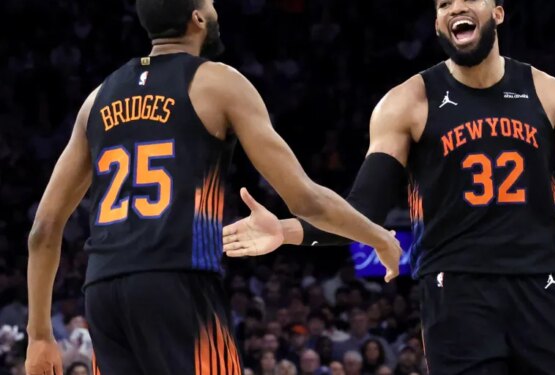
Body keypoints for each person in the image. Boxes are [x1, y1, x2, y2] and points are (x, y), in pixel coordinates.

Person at [222, 1, 555, 373]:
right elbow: (364, 208)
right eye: (442, 4)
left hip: (542, 288)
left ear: (497, 12)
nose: (455, 7)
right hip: (457, 291)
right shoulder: (409, 101)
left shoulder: (547, 92)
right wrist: (288, 231)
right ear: (439, 24)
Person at [24, 1, 402, 374]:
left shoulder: (97, 99)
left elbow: (43, 230)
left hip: (103, 293)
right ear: (198, 18)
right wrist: (379, 238)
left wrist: (39, 335)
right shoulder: (218, 81)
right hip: (177, 283)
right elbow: (305, 198)